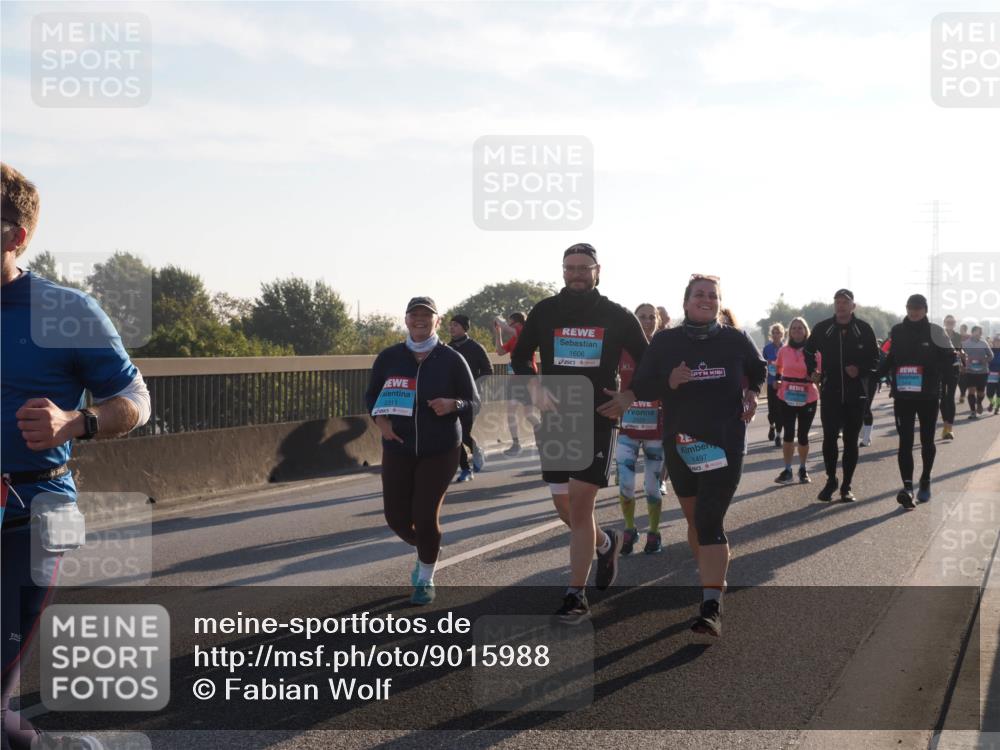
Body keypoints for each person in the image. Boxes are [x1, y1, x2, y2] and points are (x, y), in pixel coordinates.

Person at [2, 162, 151, 749]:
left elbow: (135, 397)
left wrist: (77, 421)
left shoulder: (66, 311)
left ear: (15, 234)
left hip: (30, 515)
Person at [510, 243, 647, 624]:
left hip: (599, 417)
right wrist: (534, 386)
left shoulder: (615, 315)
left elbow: (648, 358)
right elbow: (520, 355)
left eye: (583, 268)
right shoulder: (546, 311)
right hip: (556, 418)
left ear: (597, 271)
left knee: (581, 505)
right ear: (563, 271)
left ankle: (575, 594)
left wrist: (631, 395)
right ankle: (607, 543)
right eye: (570, 268)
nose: (576, 274)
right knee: (564, 508)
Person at [633, 274, 766, 637]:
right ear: (686, 301)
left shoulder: (736, 340)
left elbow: (759, 370)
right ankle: (711, 574)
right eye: (699, 294)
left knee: (708, 521)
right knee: (695, 522)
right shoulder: (665, 342)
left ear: (719, 303)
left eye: (713, 295)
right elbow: (642, 386)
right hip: (682, 445)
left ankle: (711, 605)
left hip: (725, 442)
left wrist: (753, 393)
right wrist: (669, 383)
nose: (706, 299)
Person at [365, 297, 479, 605]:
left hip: (440, 448)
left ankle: (426, 577)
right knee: (396, 518)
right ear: (405, 320)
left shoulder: (451, 359)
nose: (420, 320)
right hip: (398, 445)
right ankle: (429, 548)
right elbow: (371, 396)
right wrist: (380, 421)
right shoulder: (390, 357)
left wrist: (452, 404)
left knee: (425, 516)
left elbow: (473, 401)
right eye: (414, 315)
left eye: (426, 316)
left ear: (437, 322)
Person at [876, 295, 956, 508]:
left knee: (927, 441)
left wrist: (948, 380)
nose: (914, 312)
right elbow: (890, 357)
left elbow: (950, 359)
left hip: (928, 396)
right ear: (906, 308)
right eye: (911, 308)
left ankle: (926, 479)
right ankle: (907, 487)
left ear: (925, 310)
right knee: (905, 442)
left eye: (918, 308)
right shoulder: (897, 331)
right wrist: (876, 374)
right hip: (903, 396)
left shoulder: (936, 331)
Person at [804, 289, 880, 502]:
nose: (840, 305)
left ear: (853, 306)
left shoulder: (863, 329)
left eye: (845, 302)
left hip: (856, 394)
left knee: (850, 440)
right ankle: (831, 480)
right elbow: (808, 351)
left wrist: (861, 370)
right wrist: (813, 371)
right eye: (837, 302)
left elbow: (876, 359)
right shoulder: (823, 328)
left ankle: (846, 485)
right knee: (829, 438)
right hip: (831, 391)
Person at [616, 304, 665, 555]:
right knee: (624, 483)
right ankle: (629, 528)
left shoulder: (666, 349)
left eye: (651, 317)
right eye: (641, 317)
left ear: (658, 320)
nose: (646, 321)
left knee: (652, 487)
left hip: (656, 430)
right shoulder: (622, 350)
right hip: (627, 429)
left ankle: (654, 533)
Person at [773, 317, 820, 484]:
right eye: (794, 328)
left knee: (803, 435)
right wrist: (777, 379)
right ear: (789, 331)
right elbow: (777, 367)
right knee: (788, 433)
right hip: (786, 395)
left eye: (800, 328)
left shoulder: (814, 351)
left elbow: (820, 371)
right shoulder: (783, 351)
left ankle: (803, 468)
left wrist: (816, 376)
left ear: (806, 331)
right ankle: (787, 470)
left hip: (808, 396)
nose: (797, 331)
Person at [447, 314, 492, 482]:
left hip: (472, 399)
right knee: (455, 434)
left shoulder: (476, 347)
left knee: (464, 433)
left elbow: (488, 371)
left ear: (465, 328)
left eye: (456, 325)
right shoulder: (448, 349)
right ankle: (466, 469)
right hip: (452, 399)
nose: (452, 328)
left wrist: (475, 387)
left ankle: (475, 449)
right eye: (450, 325)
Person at [494, 312, 535, 456]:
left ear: (517, 323)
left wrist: (499, 320)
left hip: (527, 378)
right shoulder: (513, 338)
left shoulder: (524, 332)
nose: (509, 325)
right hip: (515, 380)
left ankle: (543, 435)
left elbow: (509, 329)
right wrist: (498, 332)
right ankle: (516, 443)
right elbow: (499, 352)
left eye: (510, 323)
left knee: (529, 414)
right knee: (511, 412)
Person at [962, 326, 995, 418]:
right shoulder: (965, 344)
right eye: (976, 332)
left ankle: (979, 403)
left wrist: (984, 360)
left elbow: (991, 355)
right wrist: (965, 361)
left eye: (980, 333)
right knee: (971, 391)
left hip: (982, 372)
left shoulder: (984, 343)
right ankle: (973, 411)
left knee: (981, 392)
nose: (978, 334)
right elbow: (961, 356)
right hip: (970, 371)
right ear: (972, 332)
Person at [940, 315, 964, 440]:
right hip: (940, 370)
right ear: (944, 323)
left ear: (955, 323)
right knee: (943, 398)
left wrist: (963, 360)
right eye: (948, 322)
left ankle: (949, 428)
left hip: (954, 369)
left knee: (950, 398)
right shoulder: (939, 335)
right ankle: (945, 426)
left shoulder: (958, 336)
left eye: (952, 322)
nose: (950, 323)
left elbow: (961, 351)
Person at [762, 324, 786, 448]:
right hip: (771, 382)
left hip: (783, 383)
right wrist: (768, 364)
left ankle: (778, 435)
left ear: (782, 334)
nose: (776, 335)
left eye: (778, 333)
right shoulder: (767, 349)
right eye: (774, 333)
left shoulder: (786, 348)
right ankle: (772, 426)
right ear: (771, 335)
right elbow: (762, 364)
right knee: (772, 411)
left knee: (780, 410)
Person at [987, 334, 1000, 414]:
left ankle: (997, 408)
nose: (997, 343)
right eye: (996, 341)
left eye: (999, 341)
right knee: (989, 393)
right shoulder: (989, 351)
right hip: (991, 374)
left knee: (999, 393)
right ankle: (992, 403)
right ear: (993, 342)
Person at [958, 323, 970, 400]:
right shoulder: (957, 336)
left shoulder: (969, 337)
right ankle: (963, 393)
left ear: (965, 329)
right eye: (960, 329)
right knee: (959, 378)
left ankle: (963, 393)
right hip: (959, 358)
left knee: (964, 377)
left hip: (967, 358)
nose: (961, 330)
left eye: (962, 329)